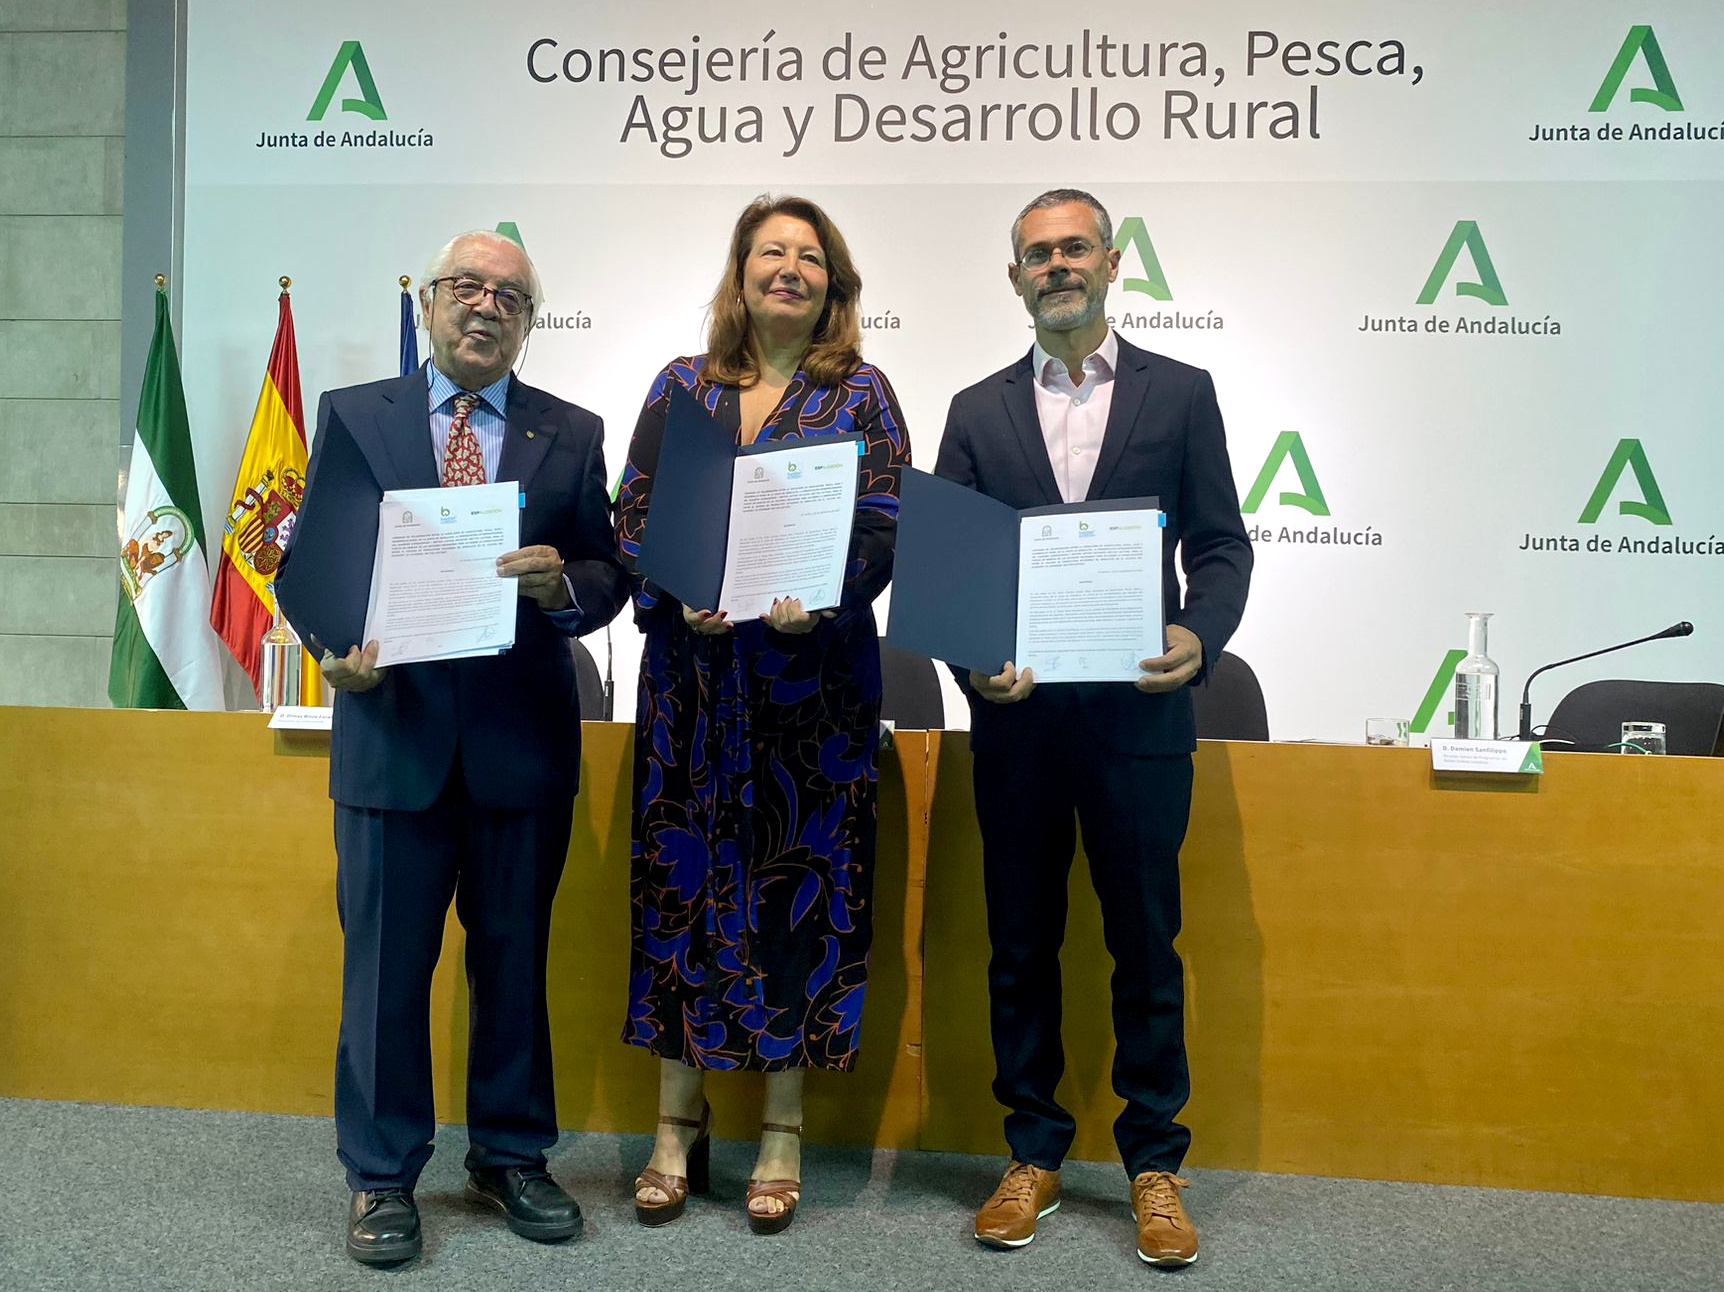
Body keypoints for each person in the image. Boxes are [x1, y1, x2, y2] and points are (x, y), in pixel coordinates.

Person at [275, 229, 628, 1266]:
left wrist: (562, 581)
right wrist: (334, 648)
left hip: (521, 743)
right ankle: (381, 1174)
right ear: (431, 302)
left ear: (529, 321)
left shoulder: (571, 431)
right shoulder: (354, 414)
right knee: (386, 968)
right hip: (392, 739)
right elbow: (309, 566)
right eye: (467, 287)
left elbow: (610, 572)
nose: (486, 305)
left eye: (510, 296)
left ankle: (512, 1152)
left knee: (513, 959)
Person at [933, 189, 1252, 1267]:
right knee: (1018, 946)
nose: (1056, 265)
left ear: (1112, 263)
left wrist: (1198, 636)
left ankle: (1153, 1161)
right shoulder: (975, 411)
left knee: (1142, 948)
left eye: (1074, 247)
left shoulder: (1183, 392)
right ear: (1014, 277)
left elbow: (1220, 548)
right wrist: (973, 660)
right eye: (1036, 254)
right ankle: (1031, 1152)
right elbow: (952, 573)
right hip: (1017, 728)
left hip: (1137, 725)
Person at [614, 195, 910, 1235]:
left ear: (834, 284)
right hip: (693, 693)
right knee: (678, 894)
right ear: (738, 272)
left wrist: (822, 596)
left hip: (807, 698)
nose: (789, 269)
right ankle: (673, 1126)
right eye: (770, 251)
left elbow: (884, 526)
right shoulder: (680, 388)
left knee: (794, 900)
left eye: (809, 256)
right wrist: (676, 589)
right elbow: (635, 518)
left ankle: (781, 1130)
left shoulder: (860, 393)